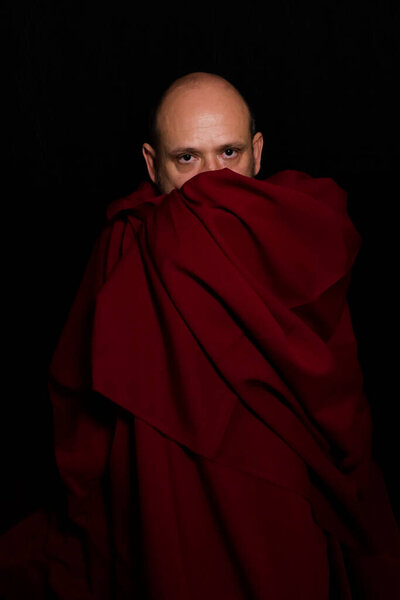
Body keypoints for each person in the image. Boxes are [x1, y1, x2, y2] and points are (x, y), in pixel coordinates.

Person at [1, 71, 399, 599]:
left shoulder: (306, 233)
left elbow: (335, 393)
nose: (213, 181)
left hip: (288, 510)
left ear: (258, 153)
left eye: (229, 152)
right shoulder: (127, 247)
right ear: (152, 166)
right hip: (175, 519)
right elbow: (83, 412)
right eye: (187, 158)